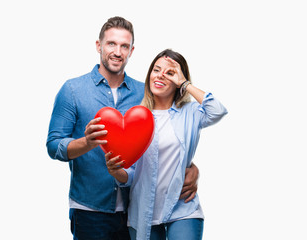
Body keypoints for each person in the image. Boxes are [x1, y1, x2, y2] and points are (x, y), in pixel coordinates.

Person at [46, 17, 200, 240]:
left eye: (124, 46)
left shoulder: (145, 93)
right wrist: (86, 143)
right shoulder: (72, 90)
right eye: (111, 44)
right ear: (99, 46)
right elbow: (53, 146)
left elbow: (169, 137)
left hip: (135, 212)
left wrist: (192, 168)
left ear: (131, 50)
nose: (117, 51)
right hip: (90, 210)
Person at [105, 49, 228, 240]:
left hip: (183, 208)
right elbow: (131, 175)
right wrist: (115, 172)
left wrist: (185, 83)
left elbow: (217, 110)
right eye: (156, 69)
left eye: (170, 73)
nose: (160, 75)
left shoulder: (190, 112)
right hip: (143, 212)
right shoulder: (136, 118)